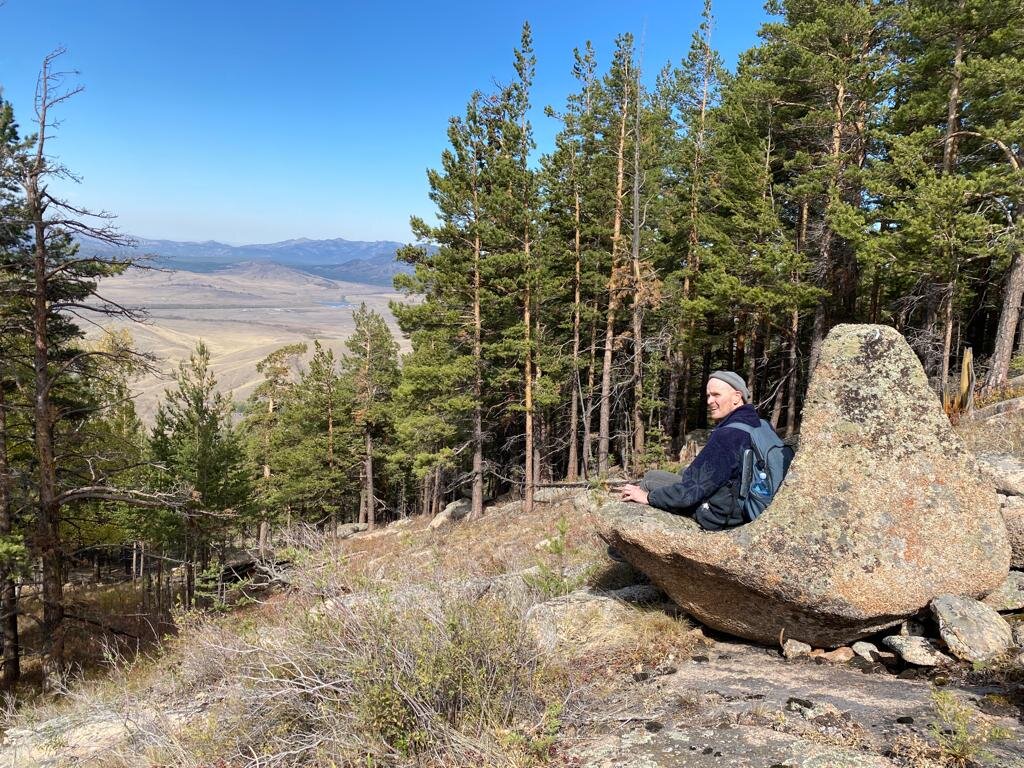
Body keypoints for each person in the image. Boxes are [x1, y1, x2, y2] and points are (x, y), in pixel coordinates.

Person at [619, 370, 772, 530]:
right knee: (684, 471)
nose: (709, 401)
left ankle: (625, 546)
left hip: (720, 516)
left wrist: (648, 497)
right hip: (749, 504)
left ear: (736, 397)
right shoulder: (761, 425)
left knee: (651, 478)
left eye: (716, 394)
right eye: (708, 395)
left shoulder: (728, 435)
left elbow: (690, 493)